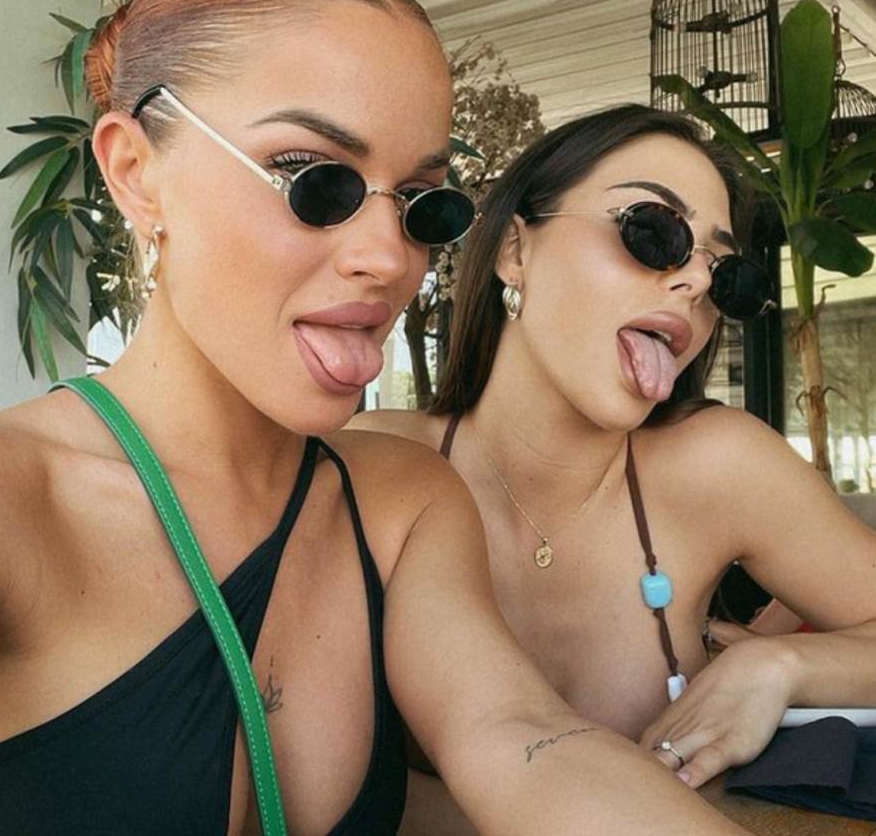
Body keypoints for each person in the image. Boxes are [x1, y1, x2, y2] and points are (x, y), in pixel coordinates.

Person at [0, 0, 754, 836]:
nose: (388, 258)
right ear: (135, 172)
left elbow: (521, 734)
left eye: (422, 202)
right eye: (314, 179)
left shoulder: (402, 505)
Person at [352, 104, 876, 835]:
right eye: (654, 232)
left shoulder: (717, 464)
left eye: (724, 272)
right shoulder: (371, 468)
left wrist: (780, 666)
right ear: (514, 250)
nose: (695, 283)